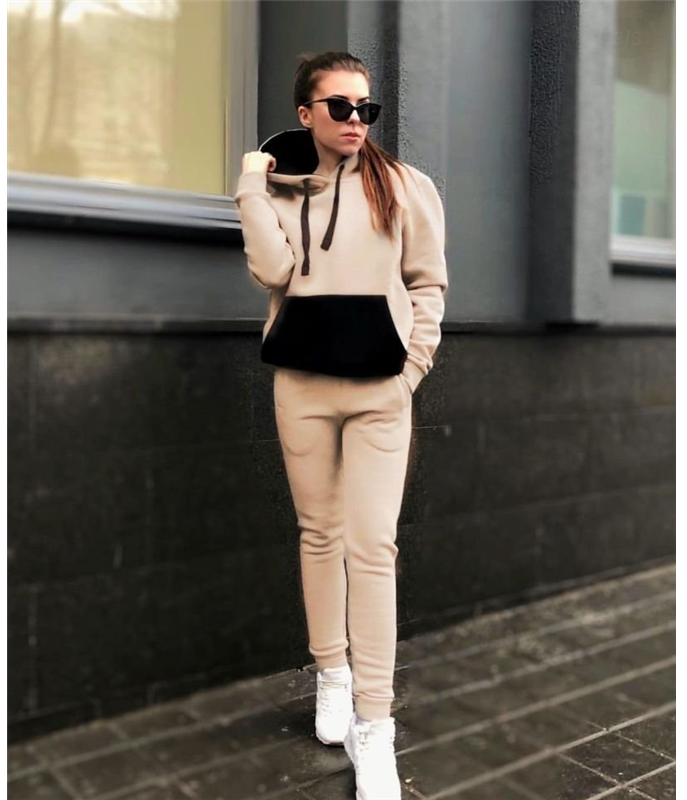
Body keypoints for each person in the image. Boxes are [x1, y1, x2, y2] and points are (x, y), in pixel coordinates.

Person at [233, 50, 448, 800]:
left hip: (380, 392)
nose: (357, 120)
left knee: (373, 547)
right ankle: (332, 672)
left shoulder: (406, 187)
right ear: (306, 113)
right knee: (319, 534)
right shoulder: (280, 187)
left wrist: (410, 371)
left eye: (367, 108)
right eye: (340, 107)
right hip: (302, 387)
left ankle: (375, 725)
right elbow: (271, 271)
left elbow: (428, 284)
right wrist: (250, 188)